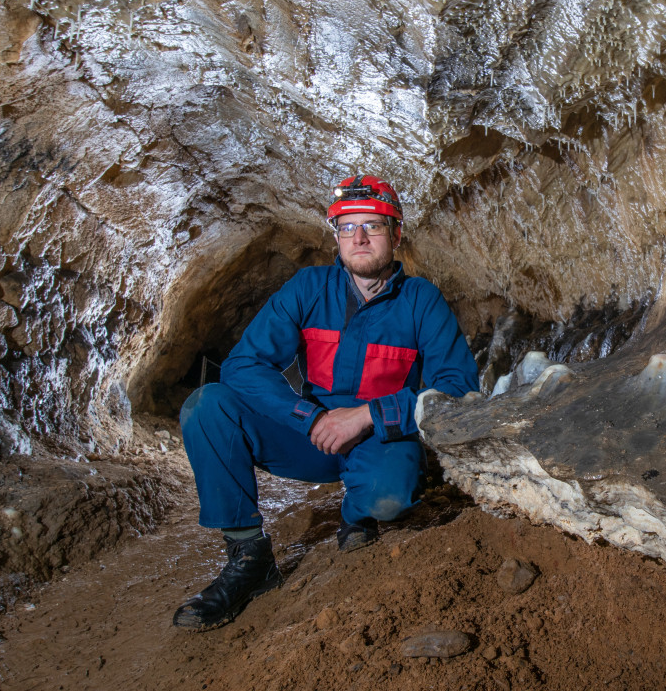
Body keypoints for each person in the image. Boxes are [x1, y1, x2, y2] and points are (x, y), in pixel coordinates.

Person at [173, 175, 480, 630]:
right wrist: (309, 415)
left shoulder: (421, 301)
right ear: (335, 236)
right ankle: (249, 557)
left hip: (381, 437)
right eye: (347, 227)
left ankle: (357, 517)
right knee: (208, 406)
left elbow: (457, 387)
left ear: (395, 235)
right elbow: (243, 366)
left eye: (373, 226)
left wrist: (366, 416)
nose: (358, 238)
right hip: (313, 437)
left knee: (390, 495)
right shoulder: (308, 288)